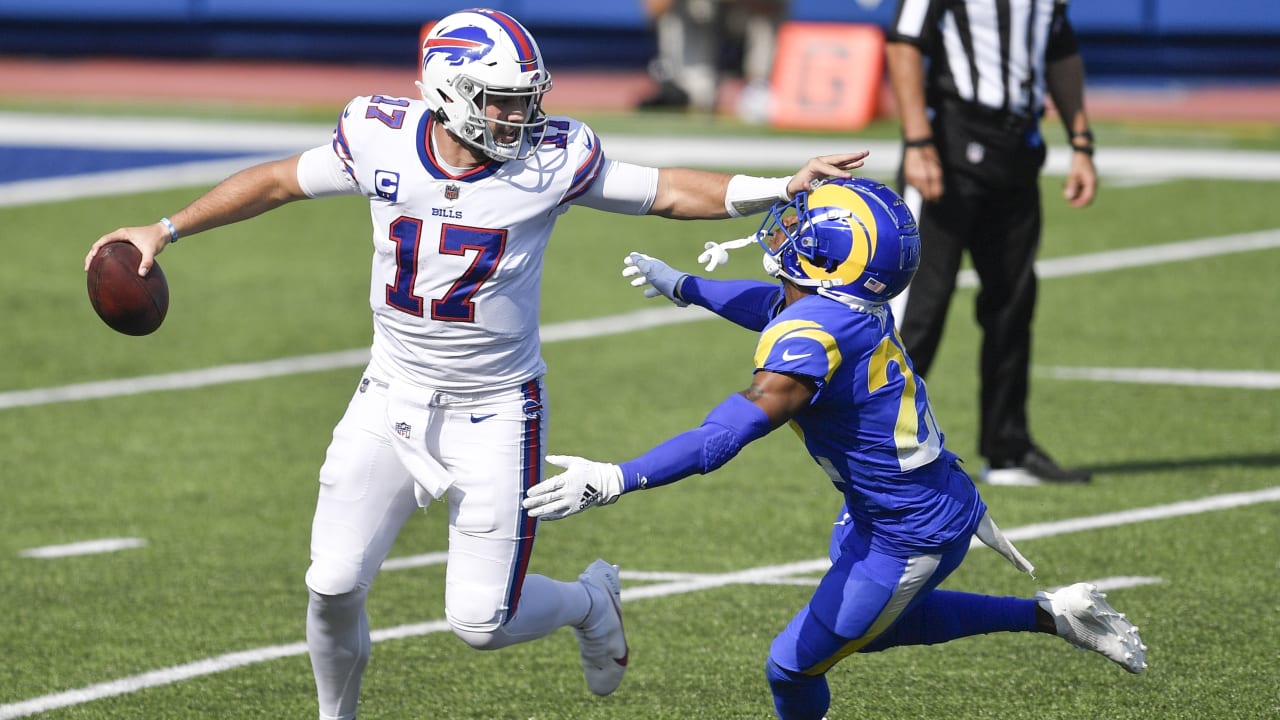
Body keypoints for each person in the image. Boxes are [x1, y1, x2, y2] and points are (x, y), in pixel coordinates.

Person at [84, 9, 865, 719]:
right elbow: (278, 181)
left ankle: (590, 603)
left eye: (526, 98)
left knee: (480, 624)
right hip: (389, 395)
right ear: (449, 93)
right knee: (330, 583)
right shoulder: (380, 136)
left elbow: (663, 192)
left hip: (496, 408)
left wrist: (779, 185)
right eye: (501, 100)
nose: (519, 115)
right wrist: (165, 229)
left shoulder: (552, 158)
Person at [522, 178, 1146, 720]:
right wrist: (687, 286)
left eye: (805, 224)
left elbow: (724, 436)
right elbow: (773, 307)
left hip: (909, 531)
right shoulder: (845, 308)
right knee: (863, 633)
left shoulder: (813, 339)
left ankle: (1053, 617)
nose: (788, 225)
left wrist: (617, 477)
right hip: (893, 505)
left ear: (831, 257)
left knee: (792, 667)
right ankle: (1055, 616)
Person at [884, 0, 1099, 485]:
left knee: (1013, 302)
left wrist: (1081, 142)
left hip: (1017, 150)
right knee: (917, 308)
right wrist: (918, 141)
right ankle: (874, 443)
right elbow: (903, 44)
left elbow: (1060, 49)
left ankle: (1007, 448)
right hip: (949, 145)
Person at [636, 0, 788, 121]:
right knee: (685, 10)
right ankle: (690, 88)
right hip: (702, 16)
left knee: (769, 11)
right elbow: (655, 7)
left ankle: (759, 88)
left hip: (747, 13)